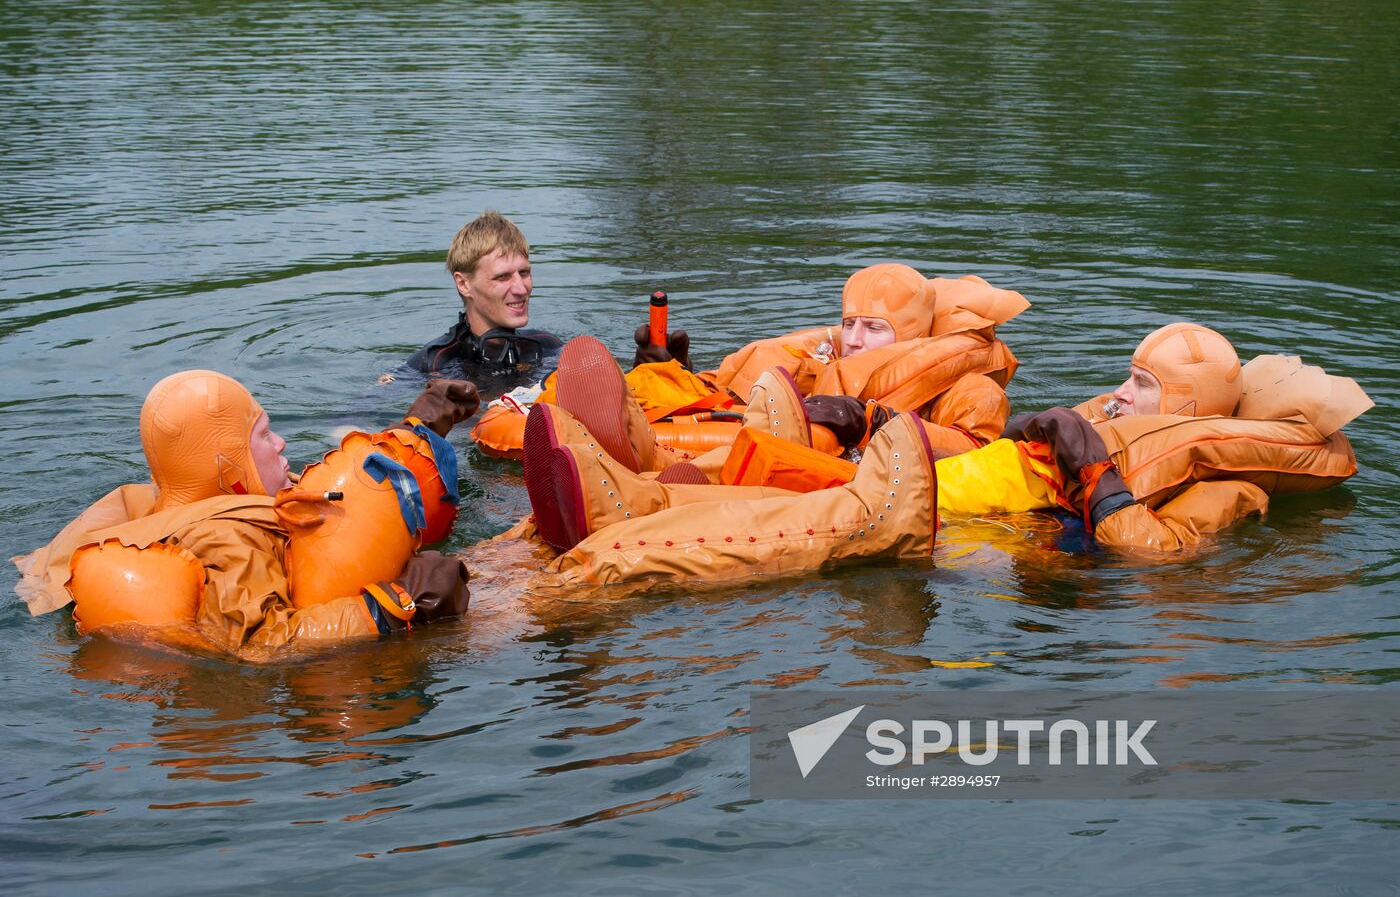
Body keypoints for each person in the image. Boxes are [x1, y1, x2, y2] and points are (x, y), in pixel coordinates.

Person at [518, 323, 1370, 589]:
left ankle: (625, 530)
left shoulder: (1222, 487)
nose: (1119, 394)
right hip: (954, 496)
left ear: (1182, 411)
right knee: (813, 486)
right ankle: (639, 497)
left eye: (1141, 386)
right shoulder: (1097, 420)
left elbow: (1157, 557)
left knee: (824, 517)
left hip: (994, 551)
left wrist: (1098, 474)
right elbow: (992, 451)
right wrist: (870, 417)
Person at [13, 371, 480, 660]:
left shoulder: (187, 503)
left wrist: (418, 426)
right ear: (227, 463)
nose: (281, 444)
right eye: (263, 434)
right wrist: (395, 603)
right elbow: (261, 644)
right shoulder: (225, 539)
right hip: (338, 660)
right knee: (505, 602)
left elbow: (350, 492)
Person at [405, 210, 562, 378]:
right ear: (463, 284)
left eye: (524, 273)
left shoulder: (549, 347)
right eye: (502, 277)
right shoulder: (432, 364)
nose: (521, 289)